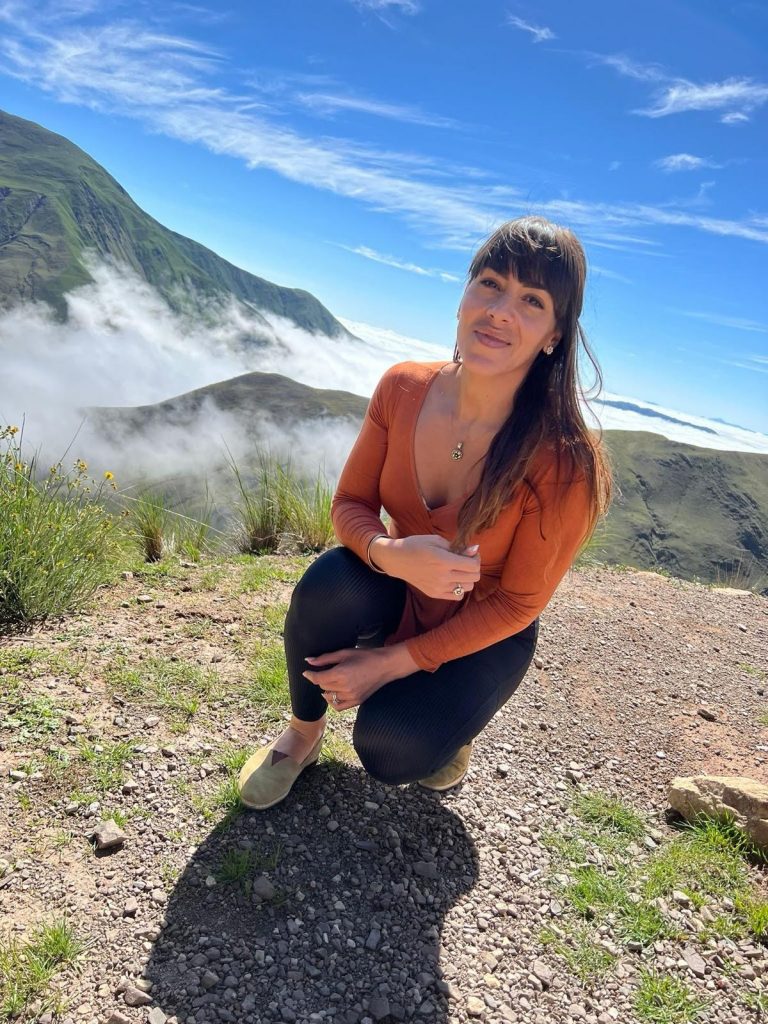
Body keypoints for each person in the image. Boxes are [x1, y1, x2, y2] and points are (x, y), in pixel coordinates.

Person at [238, 215, 612, 810]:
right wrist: (390, 554)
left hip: (485, 628)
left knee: (392, 748)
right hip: (399, 584)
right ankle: (303, 736)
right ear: (464, 296)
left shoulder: (565, 460)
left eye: (532, 300)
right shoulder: (402, 388)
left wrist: (388, 664)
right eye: (490, 284)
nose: (500, 311)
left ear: (554, 334)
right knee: (327, 585)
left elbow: (519, 604)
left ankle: (451, 726)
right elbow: (350, 504)